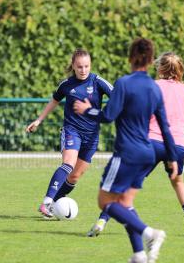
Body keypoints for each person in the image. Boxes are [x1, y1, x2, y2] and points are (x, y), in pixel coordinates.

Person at [74, 38, 178, 263]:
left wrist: (86, 109)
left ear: (130, 58)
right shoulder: (154, 88)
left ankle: (151, 233)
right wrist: (172, 159)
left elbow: (108, 116)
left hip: (126, 154)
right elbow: (166, 129)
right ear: (151, 61)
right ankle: (139, 255)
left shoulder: (124, 83)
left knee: (104, 202)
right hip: (146, 154)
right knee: (125, 204)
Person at [87, 52, 184, 238]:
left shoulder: (152, 86)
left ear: (159, 68)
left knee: (125, 186)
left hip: (150, 143)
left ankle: (102, 221)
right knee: (178, 183)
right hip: (176, 146)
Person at [26, 48, 113, 218]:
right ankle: (47, 202)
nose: (83, 70)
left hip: (92, 136)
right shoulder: (66, 85)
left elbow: (118, 95)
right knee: (68, 164)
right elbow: (54, 101)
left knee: (74, 177)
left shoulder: (98, 82)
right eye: (79, 67)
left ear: (90, 65)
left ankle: (53, 204)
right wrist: (39, 120)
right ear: (73, 66)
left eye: (86, 66)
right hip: (72, 130)